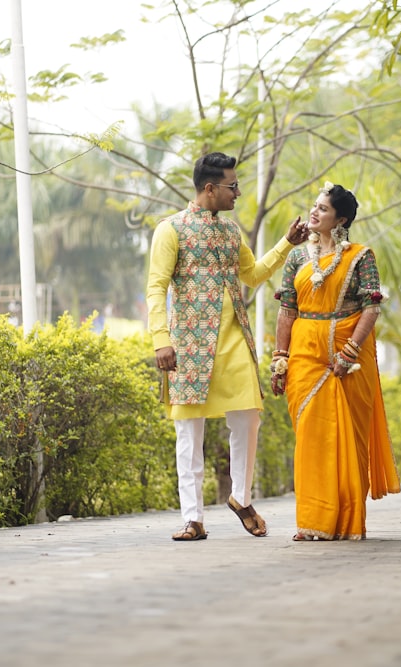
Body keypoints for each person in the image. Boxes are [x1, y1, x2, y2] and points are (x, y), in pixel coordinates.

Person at [146, 151, 309, 541]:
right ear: (209, 188)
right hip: (187, 343)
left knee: (248, 417)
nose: (237, 192)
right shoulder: (171, 230)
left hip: (234, 337)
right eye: (232, 186)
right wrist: (160, 339)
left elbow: (252, 276)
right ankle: (193, 518)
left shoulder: (231, 231)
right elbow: (157, 286)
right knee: (190, 430)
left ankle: (240, 496)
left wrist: (286, 243)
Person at [271, 182, 401, 541]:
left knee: (349, 439)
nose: (314, 212)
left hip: (349, 357)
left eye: (323, 209)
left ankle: (344, 521)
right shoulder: (297, 256)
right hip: (304, 354)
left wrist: (350, 352)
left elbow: (371, 307)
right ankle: (312, 522)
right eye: (313, 206)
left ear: (340, 219)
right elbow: (286, 310)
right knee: (310, 436)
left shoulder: (361, 256)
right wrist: (280, 358)